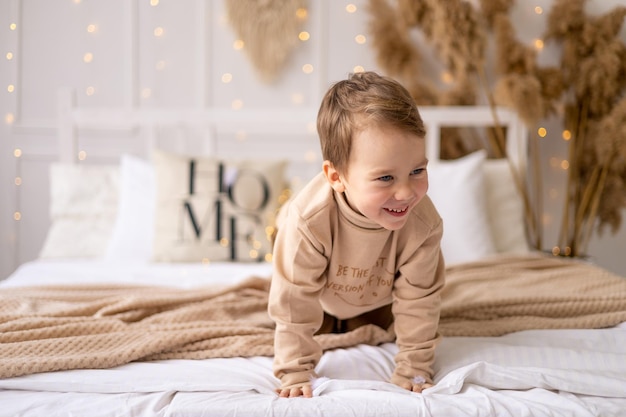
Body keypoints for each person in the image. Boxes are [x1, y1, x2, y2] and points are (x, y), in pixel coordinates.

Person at [268, 71, 445, 398]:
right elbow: (294, 300)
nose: (406, 192)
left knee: (388, 326)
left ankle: (354, 324)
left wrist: (414, 368)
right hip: (319, 297)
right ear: (336, 176)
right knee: (290, 310)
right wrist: (294, 372)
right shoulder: (309, 221)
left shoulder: (423, 224)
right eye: (386, 178)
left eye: (417, 171)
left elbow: (419, 299)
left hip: (379, 302)